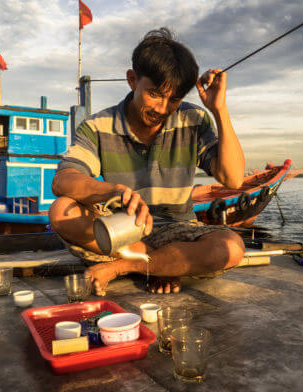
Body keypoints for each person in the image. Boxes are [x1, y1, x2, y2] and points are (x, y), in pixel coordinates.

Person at [49, 28, 245, 296]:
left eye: (174, 99)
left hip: (178, 230)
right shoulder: (98, 125)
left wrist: (219, 110)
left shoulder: (194, 119)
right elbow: (62, 180)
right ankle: (165, 265)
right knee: (62, 210)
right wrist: (114, 192)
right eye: (154, 94)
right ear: (132, 80)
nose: (162, 109)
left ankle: (126, 267)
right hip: (122, 229)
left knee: (232, 247)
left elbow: (233, 178)